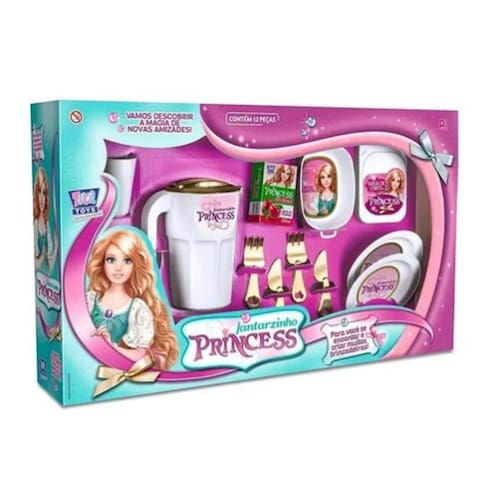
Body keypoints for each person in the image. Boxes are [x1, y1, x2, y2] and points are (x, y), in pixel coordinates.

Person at [86, 230, 178, 370]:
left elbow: (142, 356)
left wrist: (111, 347)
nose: (118, 268)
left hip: (116, 371)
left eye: (127, 261)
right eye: (111, 260)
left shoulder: (137, 309)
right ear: (102, 263)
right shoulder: (90, 299)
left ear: (136, 265)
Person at [33, 166, 58, 272]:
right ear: (35, 193)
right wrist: (43, 256)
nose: (42, 198)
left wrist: (56, 247)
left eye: (44, 192)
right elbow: (36, 265)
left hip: (48, 276)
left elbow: (50, 266)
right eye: (39, 191)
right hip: (40, 276)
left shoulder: (48, 224)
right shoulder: (35, 224)